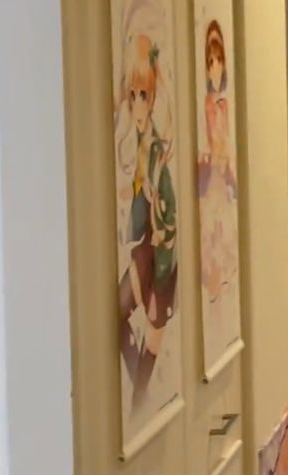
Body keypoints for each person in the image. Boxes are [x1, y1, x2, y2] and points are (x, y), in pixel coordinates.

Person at [117, 33, 177, 412]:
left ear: (152, 99)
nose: (138, 103)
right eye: (134, 94)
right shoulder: (140, 143)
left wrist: (160, 223)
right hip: (148, 251)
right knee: (118, 315)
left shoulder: (154, 147)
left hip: (162, 257)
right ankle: (140, 403)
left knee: (153, 334)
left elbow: (166, 205)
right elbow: (141, 186)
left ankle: (140, 403)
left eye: (144, 95)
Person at [198, 20, 238, 322]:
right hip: (211, 185)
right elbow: (209, 149)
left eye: (219, 60)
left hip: (223, 184)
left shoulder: (224, 107)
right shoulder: (207, 107)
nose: (215, 67)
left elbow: (227, 149)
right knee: (213, 249)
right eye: (210, 61)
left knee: (227, 251)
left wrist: (232, 179)